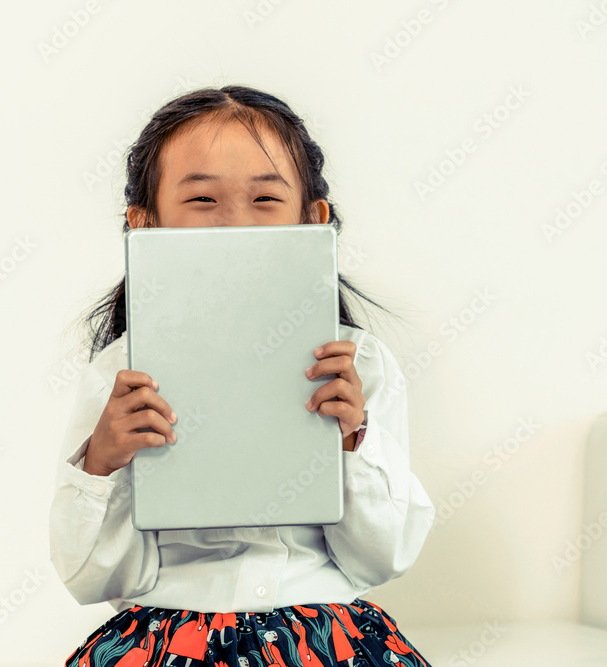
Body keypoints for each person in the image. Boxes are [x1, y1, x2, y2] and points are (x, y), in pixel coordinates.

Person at [50, 84, 436, 666]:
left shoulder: (359, 365)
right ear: (145, 223)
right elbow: (90, 578)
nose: (234, 223)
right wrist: (102, 463)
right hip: (167, 639)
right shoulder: (118, 376)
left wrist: (355, 438)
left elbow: (383, 559)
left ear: (313, 220)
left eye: (264, 199)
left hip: (328, 639)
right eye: (202, 199)